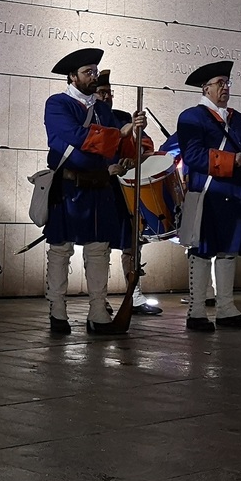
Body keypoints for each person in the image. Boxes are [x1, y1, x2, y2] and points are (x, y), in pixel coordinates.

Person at [41, 49, 145, 335]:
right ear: (72, 76)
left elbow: (117, 147)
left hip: (99, 188)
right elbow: (76, 137)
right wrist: (119, 134)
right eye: (88, 72)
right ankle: (57, 310)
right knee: (61, 249)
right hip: (69, 186)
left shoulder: (102, 109)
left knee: (99, 250)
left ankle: (98, 312)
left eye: (95, 72)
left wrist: (133, 133)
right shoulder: (57, 104)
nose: (93, 77)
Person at [175, 61, 241, 332]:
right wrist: (230, 160)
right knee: (202, 251)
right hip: (209, 192)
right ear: (205, 88)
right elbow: (192, 156)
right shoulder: (192, 117)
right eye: (219, 83)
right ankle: (196, 312)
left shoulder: (235, 118)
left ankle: (226, 309)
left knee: (229, 252)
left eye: (227, 83)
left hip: (234, 193)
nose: (225, 88)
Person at [95, 70, 161, 316]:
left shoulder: (123, 117)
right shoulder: (86, 119)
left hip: (123, 189)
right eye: (102, 93)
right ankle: (98, 297)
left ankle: (133, 293)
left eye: (109, 93)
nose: (107, 97)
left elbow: (144, 148)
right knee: (98, 246)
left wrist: (136, 134)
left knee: (131, 243)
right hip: (99, 187)